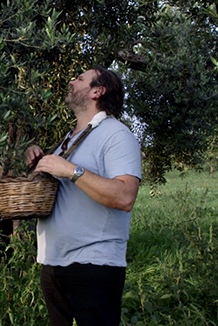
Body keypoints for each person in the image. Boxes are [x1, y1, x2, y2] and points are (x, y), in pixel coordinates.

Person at [24, 66, 142, 326]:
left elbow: (125, 196)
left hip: (94, 265)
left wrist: (70, 170)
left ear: (97, 91)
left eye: (79, 79)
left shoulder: (117, 136)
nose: (71, 81)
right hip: (54, 262)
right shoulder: (70, 138)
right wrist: (37, 161)